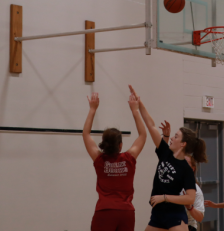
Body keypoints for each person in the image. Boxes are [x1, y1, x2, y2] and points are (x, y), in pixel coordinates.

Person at [130, 85, 208, 231]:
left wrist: (165, 197)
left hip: (174, 215)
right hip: (158, 214)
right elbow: (151, 125)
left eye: (176, 136)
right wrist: (139, 103)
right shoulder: (165, 152)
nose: (172, 138)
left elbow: (190, 198)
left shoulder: (186, 169)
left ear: (183, 144)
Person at [82, 90, 147, 231]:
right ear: (120, 145)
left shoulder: (99, 159)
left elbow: (86, 133)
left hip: (104, 211)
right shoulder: (129, 158)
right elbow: (143, 134)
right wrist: (135, 110)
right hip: (127, 212)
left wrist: (93, 109)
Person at [160, 121, 205, 231]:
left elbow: (200, 217)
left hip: (187, 225)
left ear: (191, 169)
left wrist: (189, 206)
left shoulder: (195, 190)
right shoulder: (171, 179)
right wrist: (165, 136)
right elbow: (163, 157)